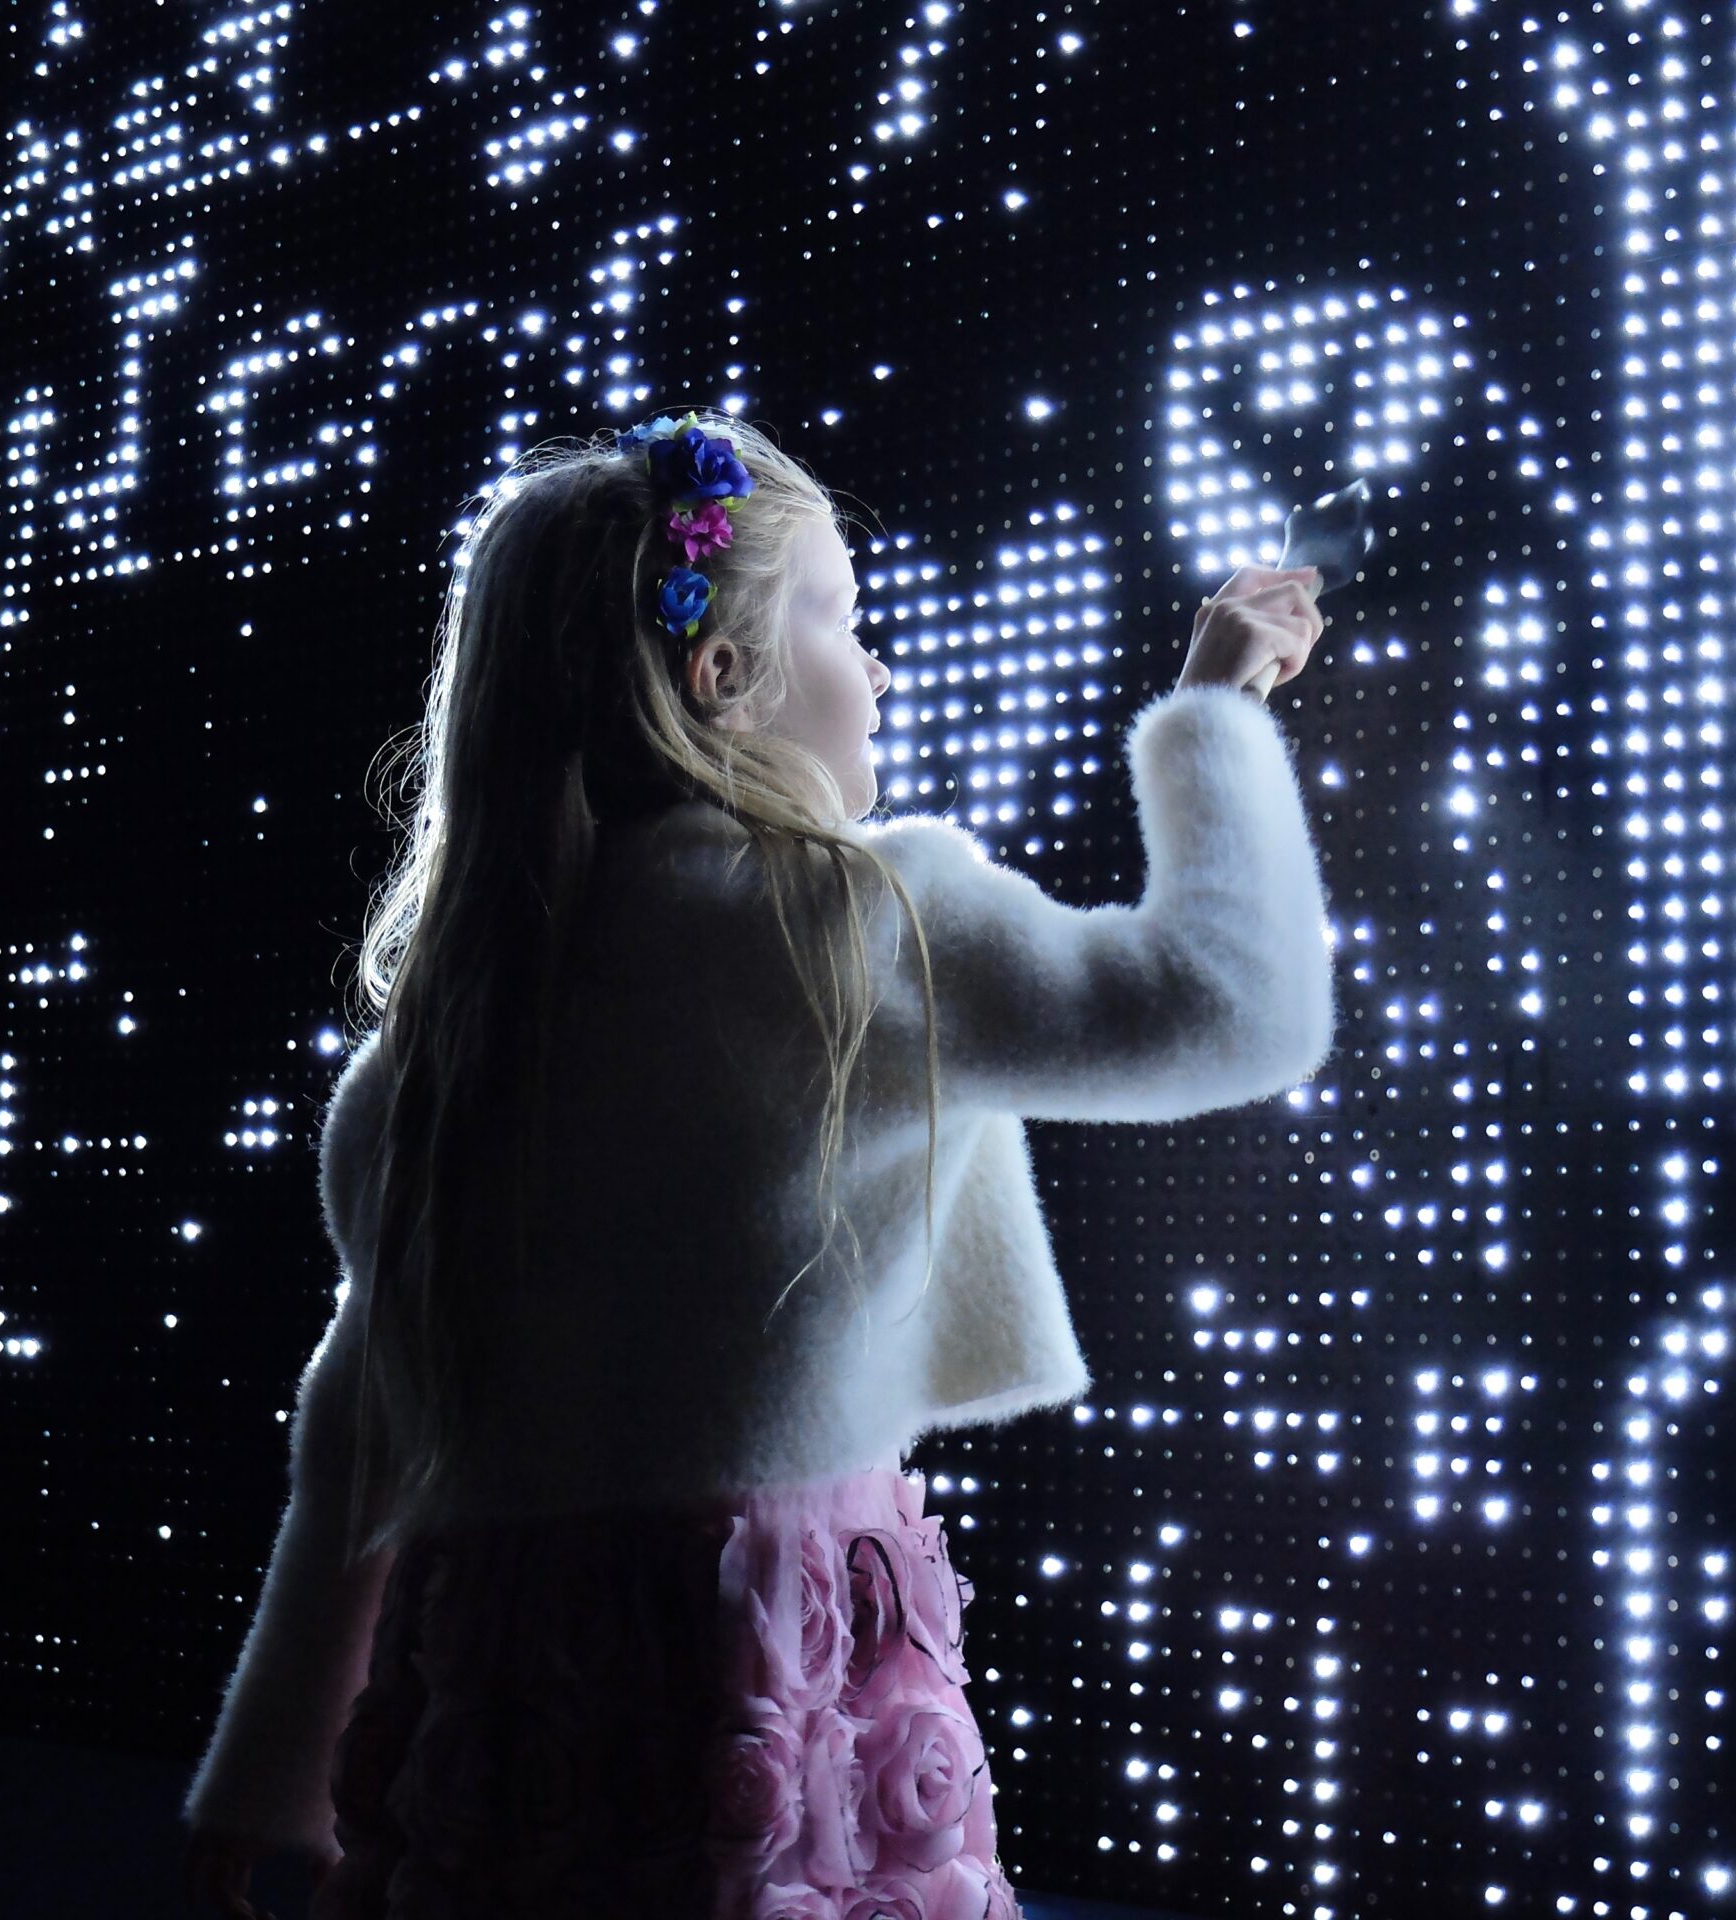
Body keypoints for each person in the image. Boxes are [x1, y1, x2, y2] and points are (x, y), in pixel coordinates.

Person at [178, 410, 1336, 1920]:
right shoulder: (861, 927)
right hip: (764, 1692)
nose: (882, 670)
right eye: (847, 622)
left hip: (501, 1726)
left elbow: (361, 1433)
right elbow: (1226, 1010)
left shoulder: (438, 1048)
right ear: (721, 678)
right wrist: (1216, 712)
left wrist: (273, 1777)